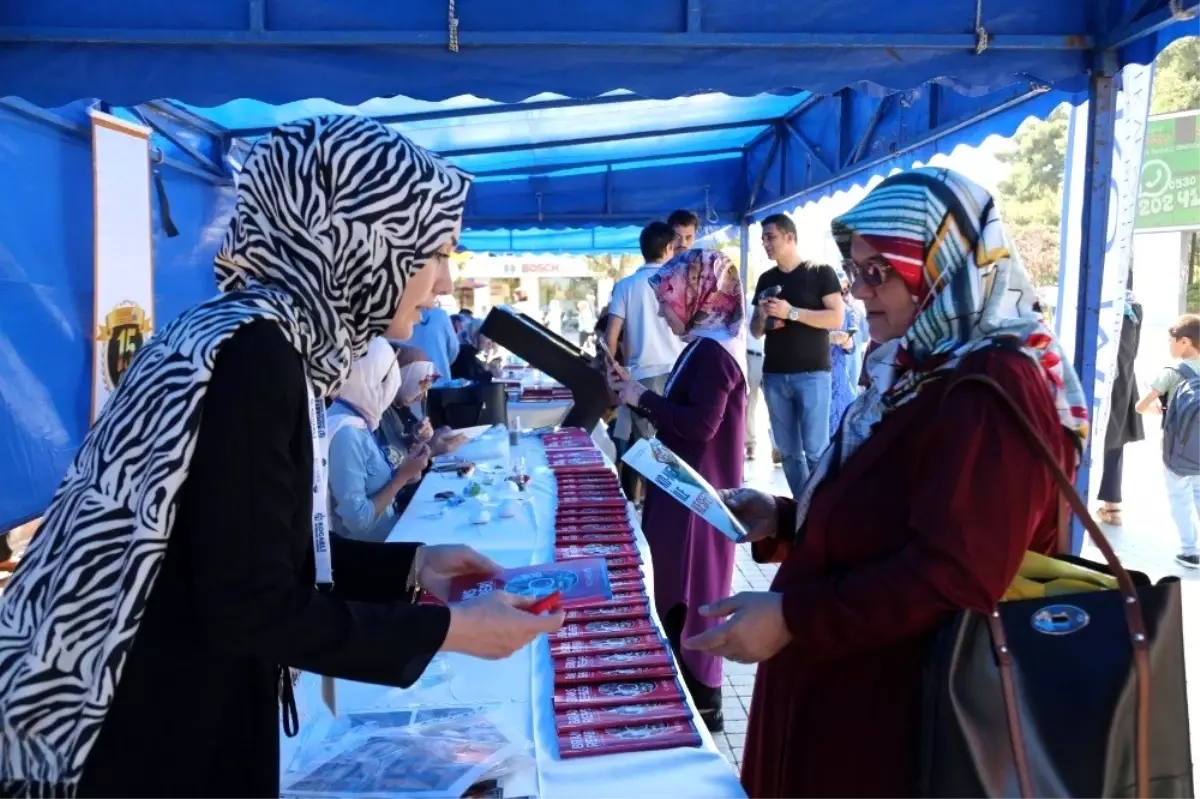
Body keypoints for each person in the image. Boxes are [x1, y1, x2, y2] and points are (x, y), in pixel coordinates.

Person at [0, 117, 565, 798]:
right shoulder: (258, 358)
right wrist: (451, 629)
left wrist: (413, 566)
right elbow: (250, 603)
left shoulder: (242, 332)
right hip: (136, 727)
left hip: (128, 696)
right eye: (434, 250)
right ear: (361, 240)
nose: (444, 282)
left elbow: (240, 553)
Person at [684, 169, 1087, 799]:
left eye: (879, 272)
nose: (861, 291)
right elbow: (892, 514)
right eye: (855, 270)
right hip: (847, 698)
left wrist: (793, 615)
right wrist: (786, 520)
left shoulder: (996, 386)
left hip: (899, 724)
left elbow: (956, 574)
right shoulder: (919, 368)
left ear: (942, 264)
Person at [606, 249, 747, 733]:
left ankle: (700, 700)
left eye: (668, 300)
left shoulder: (711, 353)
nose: (663, 312)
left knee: (691, 595)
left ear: (698, 296)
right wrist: (638, 395)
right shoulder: (702, 345)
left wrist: (641, 397)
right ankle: (690, 695)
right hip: (684, 493)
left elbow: (702, 426)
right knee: (680, 590)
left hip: (695, 501)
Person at [751, 213, 845, 499]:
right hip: (775, 375)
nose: (765, 243)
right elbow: (755, 331)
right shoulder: (766, 278)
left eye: (771, 237)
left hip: (813, 374)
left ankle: (824, 508)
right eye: (763, 238)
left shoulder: (820, 272)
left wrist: (792, 312)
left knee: (816, 450)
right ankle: (804, 509)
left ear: (790, 237)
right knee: (789, 454)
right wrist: (764, 315)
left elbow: (836, 318)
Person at [607, 221, 686, 498]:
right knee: (676, 445)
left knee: (648, 449)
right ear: (667, 248)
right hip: (680, 372)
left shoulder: (625, 286)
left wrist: (615, 374)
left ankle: (651, 507)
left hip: (642, 377)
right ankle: (674, 504)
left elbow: (611, 337)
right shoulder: (679, 281)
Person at [328, 338, 432, 542]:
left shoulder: (358, 419)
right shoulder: (347, 433)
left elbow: (372, 483)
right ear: (376, 378)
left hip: (389, 534)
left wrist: (405, 473)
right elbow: (358, 521)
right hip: (372, 553)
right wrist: (401, 477)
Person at [1136, 313, 1200, 569]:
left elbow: (1141, 406)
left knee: (1180, 498)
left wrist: (1163, 413)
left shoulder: (1172, 373)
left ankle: (1190, 551)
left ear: (1185, 342)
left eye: (1172, 341)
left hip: (1178, 451)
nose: (1169, 346)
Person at [1097, 275, 1144, 526]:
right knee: (1114, 440)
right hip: (1122, 380)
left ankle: (1068, 503)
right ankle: (1112, 507)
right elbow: (1134, 352)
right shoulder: (1133, 307)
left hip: (1091, 378)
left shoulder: (1094, 300)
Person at [827, 276, 861, 438]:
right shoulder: (813, 311)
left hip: (840, 376)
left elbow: (853, 346)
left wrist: (847, 342)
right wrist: (827, 338)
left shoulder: (849, 312)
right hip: (816, 375)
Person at [406, 305, 459, 384]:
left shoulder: (392, 313)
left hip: (403, 385)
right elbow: (453, 349)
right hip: (438, 382)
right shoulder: (439, 315)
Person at [744, 293, 766, 461]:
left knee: (777, 404)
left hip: (773, 355)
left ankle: (778, 447)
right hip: (753, 354)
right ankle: (750, 444)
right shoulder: (749, 299)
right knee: (750, 401)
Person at [451, 317, 502, 383]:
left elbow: (498, 375)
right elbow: (476, 378)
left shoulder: (484, 354)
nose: (491, 341)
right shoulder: (465, 353)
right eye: (486, 335)